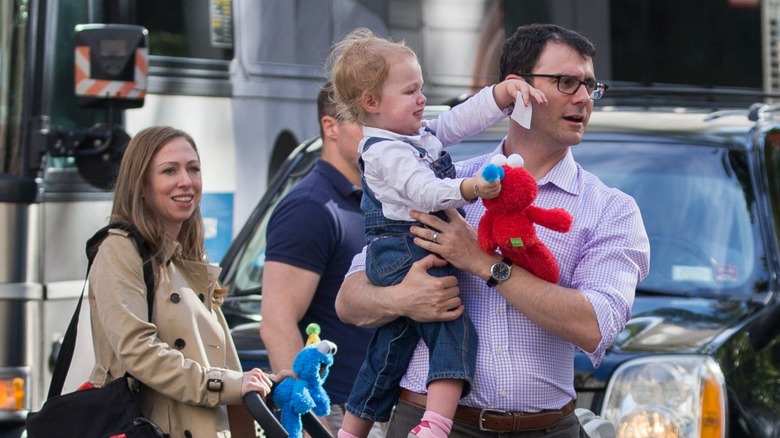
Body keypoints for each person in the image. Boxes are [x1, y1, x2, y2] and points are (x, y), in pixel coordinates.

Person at [335, 23, 651, 438]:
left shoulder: (611, 209)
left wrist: (483, 263)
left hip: (547, 428)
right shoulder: (444, 184)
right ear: (517, 90)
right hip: (429, 425)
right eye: (566, 82)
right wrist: (402, 297)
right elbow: (348, 301)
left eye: (590, 86)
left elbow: (594, 325)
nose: (582, 99)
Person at [327, 28, 547, 438]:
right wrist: (472, 188)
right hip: (406, 249)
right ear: (371, 103)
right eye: (410, 91)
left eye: (421, 88)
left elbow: (456, 120)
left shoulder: (411, 136)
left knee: (390, 348)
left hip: (403, 248)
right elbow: (424, 192)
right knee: (452, 326)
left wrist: (499, 95)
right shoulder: (387, 151)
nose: (422, 98)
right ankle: (436, 423)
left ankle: (352, 429)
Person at [88, 126, 288, 437]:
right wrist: (227, 384)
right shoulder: (120, 249)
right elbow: (138, 350)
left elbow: (214, 360)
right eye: (169, 170)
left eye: (193, 168)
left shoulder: (187, 258)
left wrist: (265, 382)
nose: (186, 181)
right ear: (141, 185)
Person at [259, 83, 387, 436]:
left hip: (385, 407)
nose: (380, 135)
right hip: (339, 412)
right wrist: (313, 424)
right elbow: (276, 323)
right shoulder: (311, 207)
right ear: (330, 127)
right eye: (366, 122)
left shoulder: (377, 200)